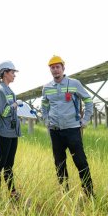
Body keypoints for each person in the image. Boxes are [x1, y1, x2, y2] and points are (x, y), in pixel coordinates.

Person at [41, 55, 95, 198]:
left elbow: (89, 101)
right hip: (55, 131)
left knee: (80, 161)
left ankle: (89, 193)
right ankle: (65, 193)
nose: (55, 70)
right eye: (52, 68)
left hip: (72, 130)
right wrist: (46, 121)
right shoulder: (46, 88)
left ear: (63, 68)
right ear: (50, 70)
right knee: (59, 163)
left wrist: (85, 120)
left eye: (58, 67)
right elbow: (44, 106)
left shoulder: (74, 83)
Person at [0, 60, 22, 199]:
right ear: (5, 73)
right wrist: (16, 105)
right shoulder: (0, 90)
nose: (14, 75)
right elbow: (4, 112)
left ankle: (12, 192)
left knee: (9, 164)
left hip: (12, 132)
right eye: (12, 72)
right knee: (0, 164)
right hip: (5, 132)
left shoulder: (8, 89)